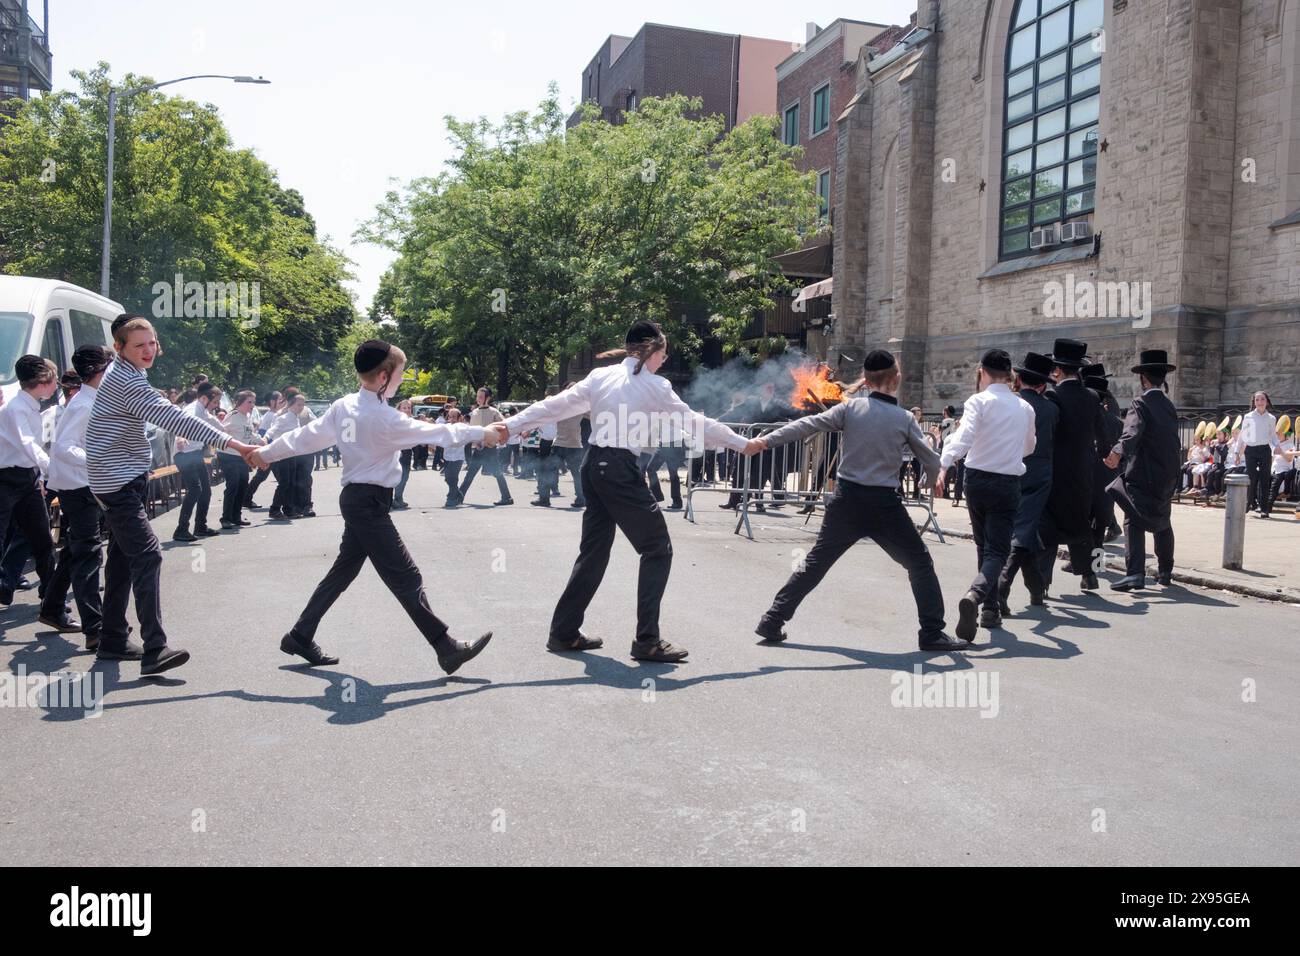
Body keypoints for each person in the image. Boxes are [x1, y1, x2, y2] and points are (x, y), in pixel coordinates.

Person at [499, 320, 760, 663]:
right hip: (619, 469)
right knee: (657, 549)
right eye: (663, 353)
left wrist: (509, 425)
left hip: (594, 464)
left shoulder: (600, 376)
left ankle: (563, 631)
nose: (665, 360)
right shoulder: (655, 385)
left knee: (594, 552)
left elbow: (553, 406)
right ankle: (647, 640)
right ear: (652, 350)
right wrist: (742, 443)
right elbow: (694, 422)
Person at [250, 339, 494, 674]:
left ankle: (299, 636)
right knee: (406, 576)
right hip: (368, 504)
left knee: (343, 572)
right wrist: (483, 432)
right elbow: (439, 433)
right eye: (400, 374)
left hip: (357, 500)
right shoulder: (385, 417)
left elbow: (304, 438)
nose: (402, 379)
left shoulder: (344, 406)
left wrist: (264, 454)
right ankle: (446, 647)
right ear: (383, 377)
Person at [750, 350, 966, 652]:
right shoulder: (904, 418)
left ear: (866, 380)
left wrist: (765, 440)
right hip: (884, 505)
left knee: (815, 563)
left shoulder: (850, 409)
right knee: (919, 563)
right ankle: (932, 633)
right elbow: (930, 460)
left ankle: (773, 619)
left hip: (847, 501)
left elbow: (807, 425)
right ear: (896, 379)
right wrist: (930, 480)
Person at [85, 315, 258, 674]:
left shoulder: (130, 372)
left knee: (121, 559)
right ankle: (155, 649)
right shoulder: (126, 380)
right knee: (148, 555)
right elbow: (176, 419)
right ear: (119, 347)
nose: (149, 350)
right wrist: (234, 443)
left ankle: (112, 637)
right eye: (139, 345)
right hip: (117, 483)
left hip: (122, 478)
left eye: (152, 342)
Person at [937, 349, 1036, 639]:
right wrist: (1007, 450)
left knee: (984, 547)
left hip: (976, 480)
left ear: (982, 372)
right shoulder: (1025, 408)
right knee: (998, 551)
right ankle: (977, 596)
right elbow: (1029, 447)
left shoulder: (978, 401)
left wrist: (943, 464)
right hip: (1007, 482)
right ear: (1009, 376)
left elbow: (964, 438)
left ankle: (989, 608)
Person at [39, 346, 114, 644]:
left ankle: (52, 607)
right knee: (89, 555)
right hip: (78, 488)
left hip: (82, 486)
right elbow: (63, 447)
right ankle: (95, 628)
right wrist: (97, 460)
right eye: (111, 366)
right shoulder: (84, 404)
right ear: (99, 370)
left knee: (76, 551)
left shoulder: (90, 399)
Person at [1105, 350, 1183, 591]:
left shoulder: (1141, 403)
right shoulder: (1169, 405)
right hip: (1168, 471)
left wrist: (1117, 452)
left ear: (1143, 378)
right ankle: (1165, 571)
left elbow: (1132, 431)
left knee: (1133, 517)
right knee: (1163, 519)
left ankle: (1135, 573)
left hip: (1143, 471)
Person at [1035, 338, 1108, 593]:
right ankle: (1089, 575)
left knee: (1049, 526)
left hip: (1056, 470)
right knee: (1080, 522)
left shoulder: (1052, 396)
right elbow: (1103, 434)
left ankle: (1043, 582)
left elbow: (1046, 433)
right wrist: (1104, 456)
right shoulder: (1092, 397)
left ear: (1057, 369)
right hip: (1083, 471)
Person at [996, 351, 1060, 614]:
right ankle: (1002, 585)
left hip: (1008, 469)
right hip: (1039, 474)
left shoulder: (1010, 404)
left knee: (1024, 529)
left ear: (1019, 379)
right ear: (1043, 384)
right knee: (1024, 530)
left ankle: (1036, 588)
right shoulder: (1051, 409)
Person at [0, 356, 60, 610]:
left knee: (42, 538)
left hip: (27, 478)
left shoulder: (31, 406)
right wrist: (53, 470)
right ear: (43, 380)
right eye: (54, 378)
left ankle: (51, 597)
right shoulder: (16, 408)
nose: (57, 384)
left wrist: (40, 475)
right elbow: (28, 444)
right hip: (6, 480)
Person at [172, 381, 224, 542]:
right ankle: (181, 530)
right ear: (203, 398)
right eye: (215, 402)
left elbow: (219, 427)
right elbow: (181, 423)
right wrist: (181, 437)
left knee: (206, 491)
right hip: (184, 455)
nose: (216, 405)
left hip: (195, 454)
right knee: (195, 490)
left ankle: (200, 526)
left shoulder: (204, 411)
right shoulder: (192, 409)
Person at [458, 387, 513, 505]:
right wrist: (475, 443)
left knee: (497, 473)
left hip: (490, 449)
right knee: (470, 473)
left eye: (481, 397)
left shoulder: (494, 412)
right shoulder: (474, 412)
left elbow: (504, 426)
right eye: (477, 396)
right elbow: (471, 431)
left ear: (487, 398)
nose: (478, 399)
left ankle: (507, 497)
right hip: (479, 448)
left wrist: (496, 440)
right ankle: (459, 496)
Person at [218, 389, 261, 530]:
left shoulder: (246, 417)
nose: (252, 405)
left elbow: (250, 435)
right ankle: (226, 518)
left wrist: (262, 442)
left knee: (242, 485)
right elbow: (221, 432)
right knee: (233, 485)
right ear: (239, 402)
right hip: (229, 455)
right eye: (249, 402)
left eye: (253, 402)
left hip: (241, 456)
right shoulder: (233, 416)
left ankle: (236, 516)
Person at [1242, 391, 1281, 516]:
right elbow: (1243, 434)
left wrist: (1277, 446)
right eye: (1257, 400)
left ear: (1267, 401)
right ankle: (1248, 503)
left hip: (1264, 449)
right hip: (1251, 450)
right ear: (1254, 402)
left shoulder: (1271, 418)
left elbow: (1273, 435)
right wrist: (1237, 452)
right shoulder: (1248, 417)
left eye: (1262, 399)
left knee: (1265, 478)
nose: (1260, 402)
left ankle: (1264, 509)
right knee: (1251, 477)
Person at [244, 391, 281, 508]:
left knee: (262, 477)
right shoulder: (271, 416)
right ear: (272, 402)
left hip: (273, 451)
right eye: (280, 400)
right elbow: (262, 433)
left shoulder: (274, 415)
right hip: (270, 451)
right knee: (281, 480)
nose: (283, 402)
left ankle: (246, 498)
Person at [440, 408, 468, 507]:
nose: (451, 419)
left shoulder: (463, 427)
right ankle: (458, 494)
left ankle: (451, 499)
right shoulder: (446, 427)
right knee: (448, 477)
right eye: (450, 417)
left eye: (454, 417)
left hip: (458, 456)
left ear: (459, 418)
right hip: (447, 456)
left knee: (453, 477)